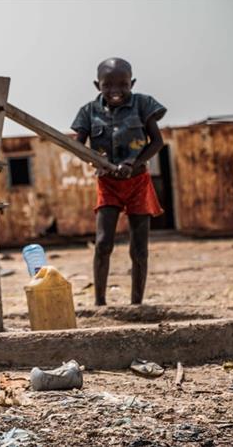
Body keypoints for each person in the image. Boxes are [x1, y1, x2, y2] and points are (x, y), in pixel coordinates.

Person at [71, 57, 167, 306]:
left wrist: (132, 164)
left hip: (138, 183)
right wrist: (98, 162)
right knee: (103, 243)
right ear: (97, 85)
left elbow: (156, 142)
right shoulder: (88, 112)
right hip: (108, 184)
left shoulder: (143, 104)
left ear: (132, 83)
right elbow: (77, 147)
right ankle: (100, 303)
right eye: (108, 85)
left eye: (123, 85)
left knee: (139, 248)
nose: (116, 91)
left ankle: (137, 304)